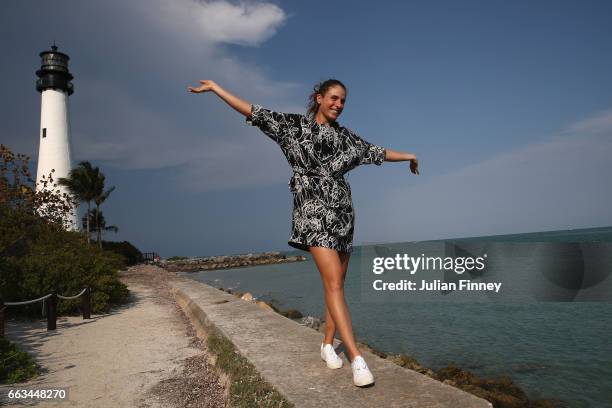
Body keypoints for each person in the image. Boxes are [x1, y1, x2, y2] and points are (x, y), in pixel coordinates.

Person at [188, 78, 419, 387]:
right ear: (319, 98)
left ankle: (326, 344)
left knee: (335, 284)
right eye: (334, 98)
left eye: (343, 101)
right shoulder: (293, 127)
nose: (339, 104)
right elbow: (254, 111)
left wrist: (409, 156)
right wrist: (217, 89)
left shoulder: (346, 138)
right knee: (334, 284)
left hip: (343, 216)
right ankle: (357, 357)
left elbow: (375, 151)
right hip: (312, 214)